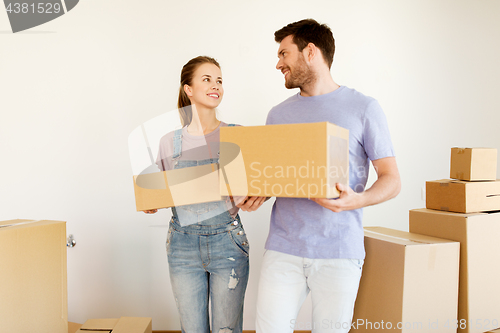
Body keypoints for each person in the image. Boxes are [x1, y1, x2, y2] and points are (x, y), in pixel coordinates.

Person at [246, 19, 401, 333]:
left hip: (339, 252)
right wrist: (260, 190)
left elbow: (392, 178)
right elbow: (277, 175)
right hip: (283, 247)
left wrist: (358, 200)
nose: (278, 63)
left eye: (284, 54)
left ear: (310, 51)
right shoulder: (277, 115)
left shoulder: (364, 108)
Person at [144, 56, 250, 333]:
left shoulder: (236, 136)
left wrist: (256, 195)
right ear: (188, 89)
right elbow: (159, 190)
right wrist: (151, 202)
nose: (216, 86)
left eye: (219, 81)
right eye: (207, 79)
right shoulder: (170, 142)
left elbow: (259, 184)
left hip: (228, 242)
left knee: (227, 329)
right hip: (182, 246)